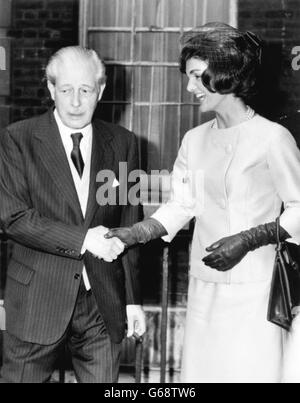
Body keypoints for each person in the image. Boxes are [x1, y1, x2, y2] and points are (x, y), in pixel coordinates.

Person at [106, 23, 300, 383]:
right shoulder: (194, 140)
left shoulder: (272, 138)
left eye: (197, 77)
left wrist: (248, 239)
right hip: (204, 284)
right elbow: (181, 205)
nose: (189, 87)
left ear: (226, 75)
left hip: (255, 290)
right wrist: (136, 232)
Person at [0, 46, 145, 383]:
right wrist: (84, 239)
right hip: (38, 299)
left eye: (86, 90)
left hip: (102, 303)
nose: (76, 102)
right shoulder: (17, 139)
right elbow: (14, 217)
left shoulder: (125, 143)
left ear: (102, 90)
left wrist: (134, 301)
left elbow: (130, 223)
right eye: (66, 90)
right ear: (51, 89)